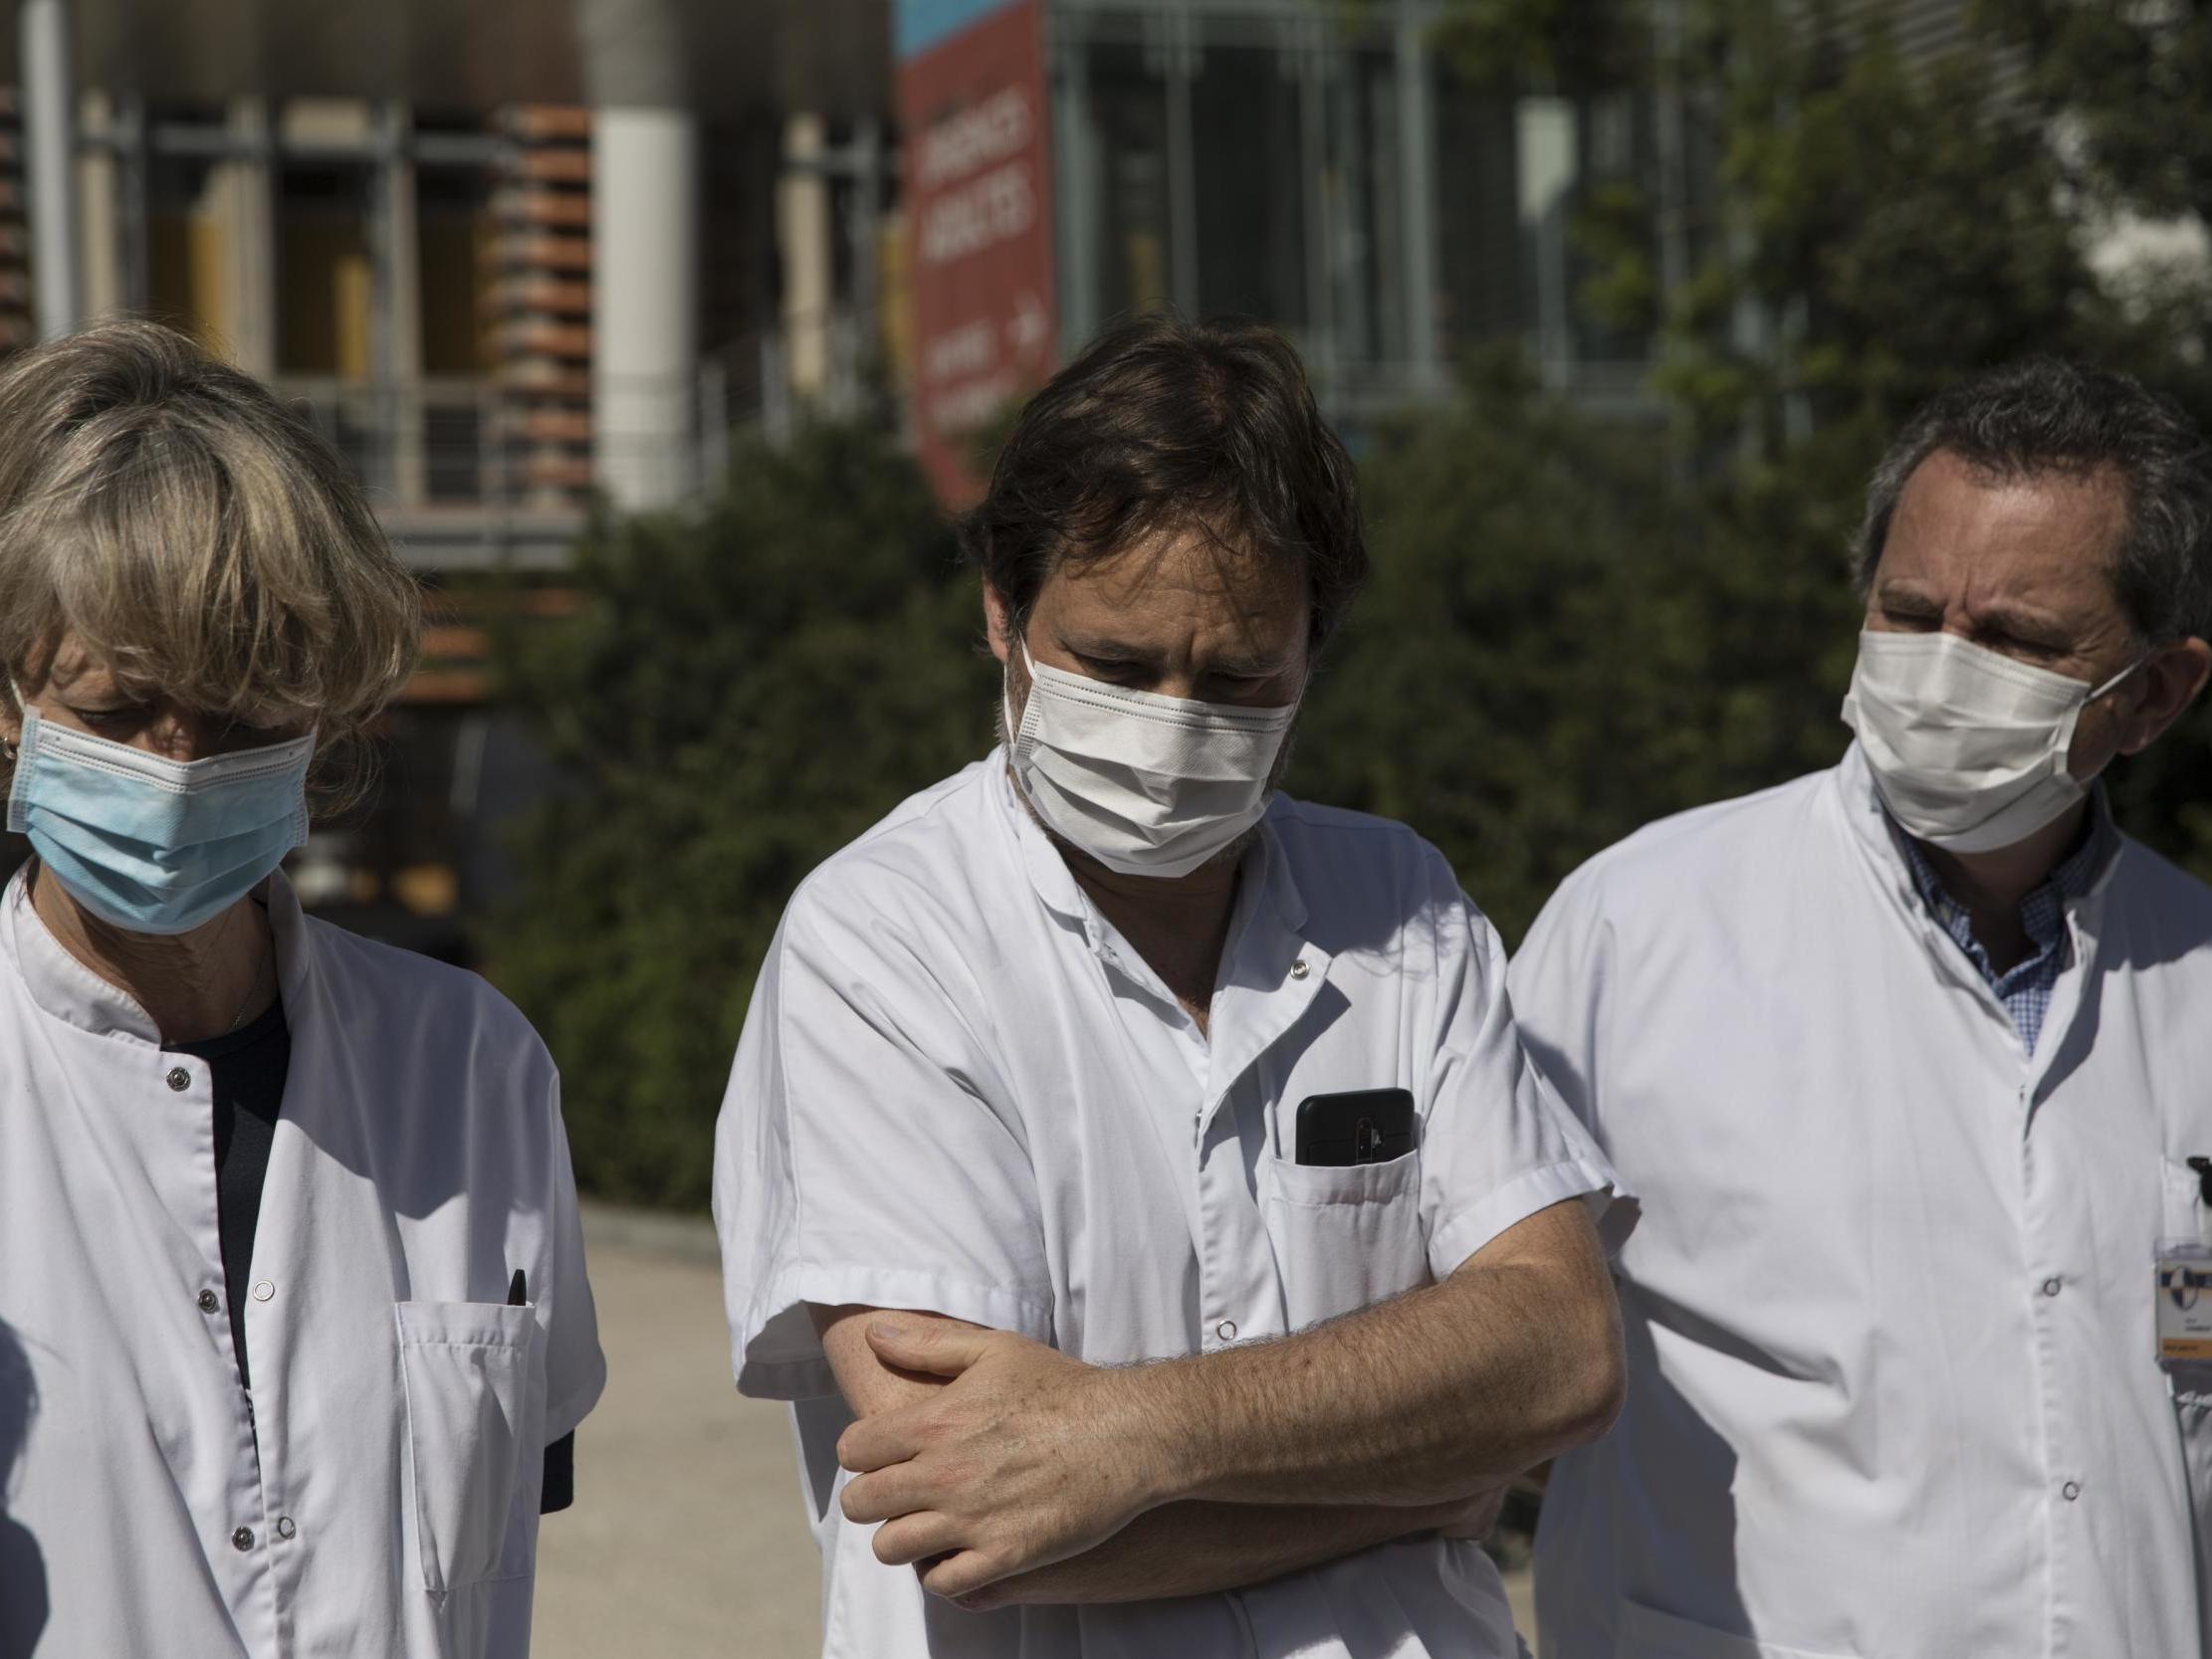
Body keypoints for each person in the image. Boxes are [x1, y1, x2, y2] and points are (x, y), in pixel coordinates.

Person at [714, 313, 1633, 1658]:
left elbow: (1560, 1348)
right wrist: (1427, 1485)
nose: (1175, 723)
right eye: (1116, 664)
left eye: (1240, 674)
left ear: (1313, 650)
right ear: (999, 616)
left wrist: (1133, 1432)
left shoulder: (1402, 902)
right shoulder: (881, 941)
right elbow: (964, 1508)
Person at [1513, 358, 2212, 1657]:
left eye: (2012, 639)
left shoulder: (2196, 974)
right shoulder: (1635, 929)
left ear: (2155, 695)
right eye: (1906, 613)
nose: (1943, 670)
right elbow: (1460, 1362)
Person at [0, 321, 604, 1657]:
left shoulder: (473, 1068)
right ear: (11, 697)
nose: (176, 768)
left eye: (239, 720)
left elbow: (510, 1512)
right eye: (119, 713)